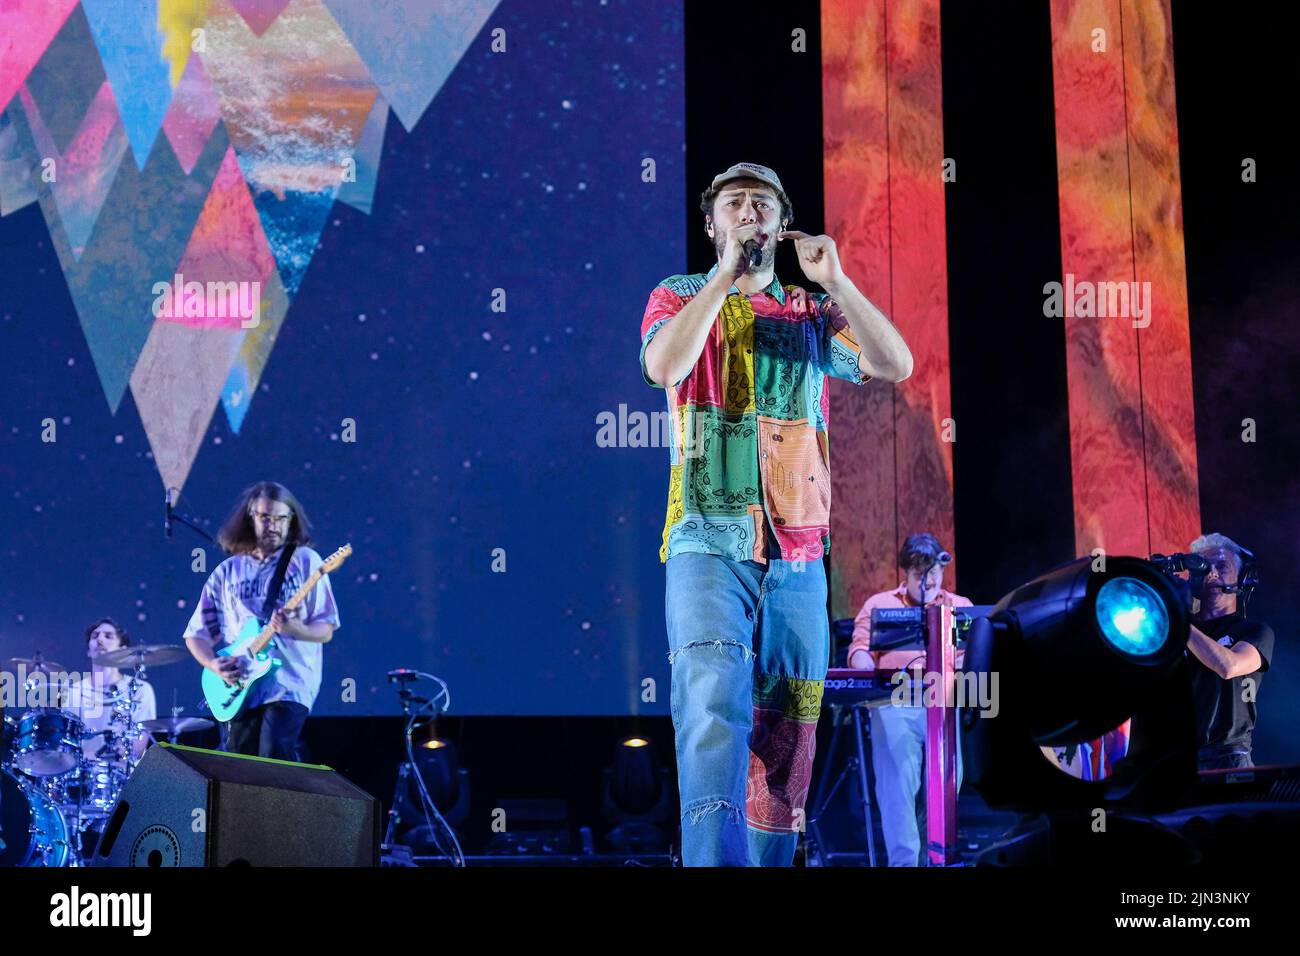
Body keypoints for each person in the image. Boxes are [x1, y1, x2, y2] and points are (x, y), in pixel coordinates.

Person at [641, 162, 913, 866]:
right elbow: (665, 367)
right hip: (706, 538)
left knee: (790, 727)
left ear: (782, 223)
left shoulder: (809, 312)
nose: (748, 213)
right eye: (733, 204)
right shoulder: (677, 295)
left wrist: (836, 280)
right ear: (712, 225)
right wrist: (724, 275)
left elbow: (895, 364)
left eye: (761, 203)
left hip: (796, 551)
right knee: (712, 711)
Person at [183, 481, 340, 761]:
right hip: (240, 684)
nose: (274, 525)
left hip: (288, 683)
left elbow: (326, 629)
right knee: (238, 767)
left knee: (274, 758)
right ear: (250, 518)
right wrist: (212, 663)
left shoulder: (306, 562)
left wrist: (296, 629)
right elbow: (196, 634)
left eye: (281, 517)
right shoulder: (227, 571)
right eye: (266, 517)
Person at [847, 533, 972, 866]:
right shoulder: (879, 604)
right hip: (894, 700)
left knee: (948, 781)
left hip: (942, 701)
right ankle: (904, 864)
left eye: (934, 572)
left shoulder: (959, 607)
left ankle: (933, 859)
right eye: (920, 573)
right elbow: (859, 650)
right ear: (907, 573)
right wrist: (866, 670)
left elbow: (973, 655)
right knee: (899, 781)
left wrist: (960, 665)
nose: (928, 580)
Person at [1184, 532, 1273, 770]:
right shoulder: (1178, 629)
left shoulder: (1254, 630)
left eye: (1222, 566)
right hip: (1176, 760)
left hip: (1228, 757)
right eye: (1203, 568)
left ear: (1241, 578)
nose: (1211, 574)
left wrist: (1178, 624)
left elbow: (1229, 666)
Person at [62, 617, 157, 763]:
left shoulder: (141, 690)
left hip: (126, 779)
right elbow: (68, 746)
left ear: (122, 650)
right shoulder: (74, 690)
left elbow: (137, 749)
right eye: (95, 636)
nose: (100, 639)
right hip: (84, 779)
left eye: (108, 636)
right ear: (88, 650)